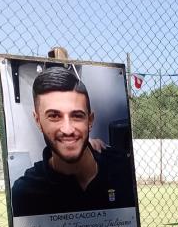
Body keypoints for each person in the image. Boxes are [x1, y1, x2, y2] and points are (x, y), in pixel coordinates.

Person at [11, 66, 136, 217]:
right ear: (38, 121)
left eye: (77, 116)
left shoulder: (124, 170)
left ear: (90, 120)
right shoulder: (26, 192)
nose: (68, 129)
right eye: (54, 116)